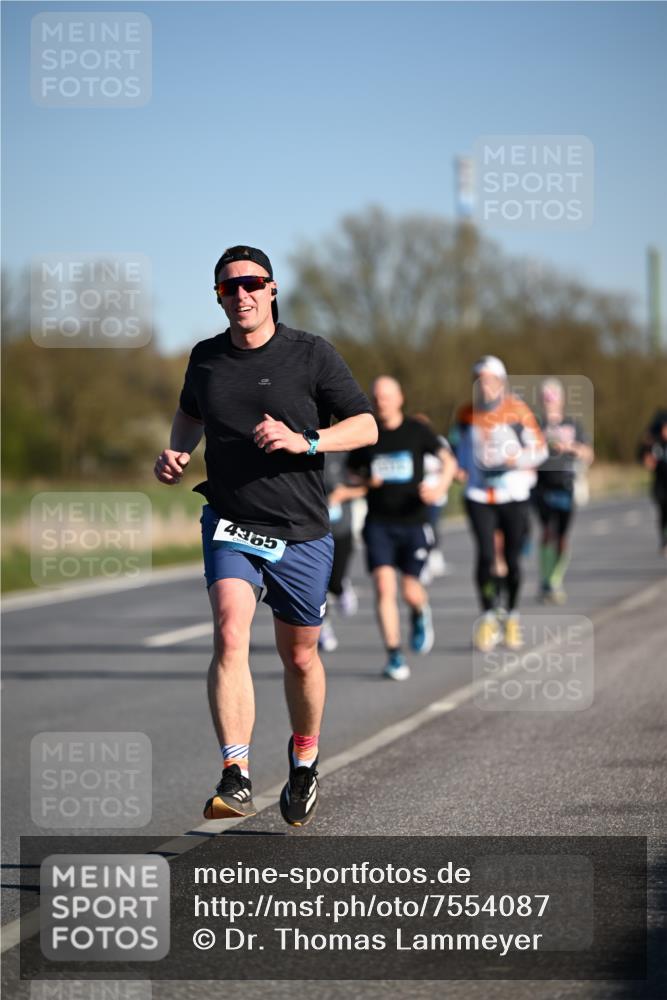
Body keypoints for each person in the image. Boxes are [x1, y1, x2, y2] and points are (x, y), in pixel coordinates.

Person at [154, 245, 377, 827]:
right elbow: (190, 413)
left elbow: (365, 425)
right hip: (230, 520)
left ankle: (304, 759)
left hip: (301, 528)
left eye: (252, 283)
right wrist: (179, 450)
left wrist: (306, 441)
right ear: (220, 297)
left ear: (272, 289)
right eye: (229, 288)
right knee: (230, 632)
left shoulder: (310, 354)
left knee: (299, 656)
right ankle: (236, 773)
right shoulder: (204, 359)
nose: (242, 295)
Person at [347, 377, 457, 680]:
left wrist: (439, 487)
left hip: (414, 522)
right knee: (384, 587)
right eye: (376, 397)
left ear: (400, 398)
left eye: (386, 396)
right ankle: (394, 655)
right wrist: (366, 481)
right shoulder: (367, 434)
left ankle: (420, 612)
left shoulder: (416, 430)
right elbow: (351, 473)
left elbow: (448, 460)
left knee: (410, 590)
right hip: (378, 523)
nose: (381, 401)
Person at [449, 356, 547, 652]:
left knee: (512, 560)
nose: (485, 386)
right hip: (479, 495)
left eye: (491, 380)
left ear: (501, 383)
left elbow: (540, 450)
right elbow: (458, 449)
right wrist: (458, 467)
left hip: (513, 494)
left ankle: (512, 617)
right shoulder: (466, 414)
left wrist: (518, 459)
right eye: (479, 380)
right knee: (486, 555)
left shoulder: (517, 410)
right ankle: (489, 616)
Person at [533, 378, 594, 602]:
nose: (550, 401)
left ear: (562, 399)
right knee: (547, 532)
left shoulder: (573, 425)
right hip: (541, 486)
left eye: (553, 396)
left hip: (567, 486)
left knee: (561, 537)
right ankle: (547, 581)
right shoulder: (534, 424)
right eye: (546, 396)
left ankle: (555, 578)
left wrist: (570, 447)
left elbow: (589, 454)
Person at [318, 452, 365, 652]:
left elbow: (366, 485)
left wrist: (343, 493)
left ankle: (341, 588)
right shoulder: (298, 449)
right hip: (313, 533)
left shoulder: (344, 454)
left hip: (341, 530)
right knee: (318, 585)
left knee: (334, 581)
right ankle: (322, 628)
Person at [412, 412, 454, 581]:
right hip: (416, 492)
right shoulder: (410, 441)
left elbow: (447, 462)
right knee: (420, 525)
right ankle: (421, 559)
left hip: (435, 491)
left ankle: (434, 553)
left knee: (432, 524)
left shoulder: (438, 442)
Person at [638, 408, 667, 557]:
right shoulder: (655, 444)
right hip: (660, 484)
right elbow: (645, 459)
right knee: (662, 512)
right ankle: (664, 541)